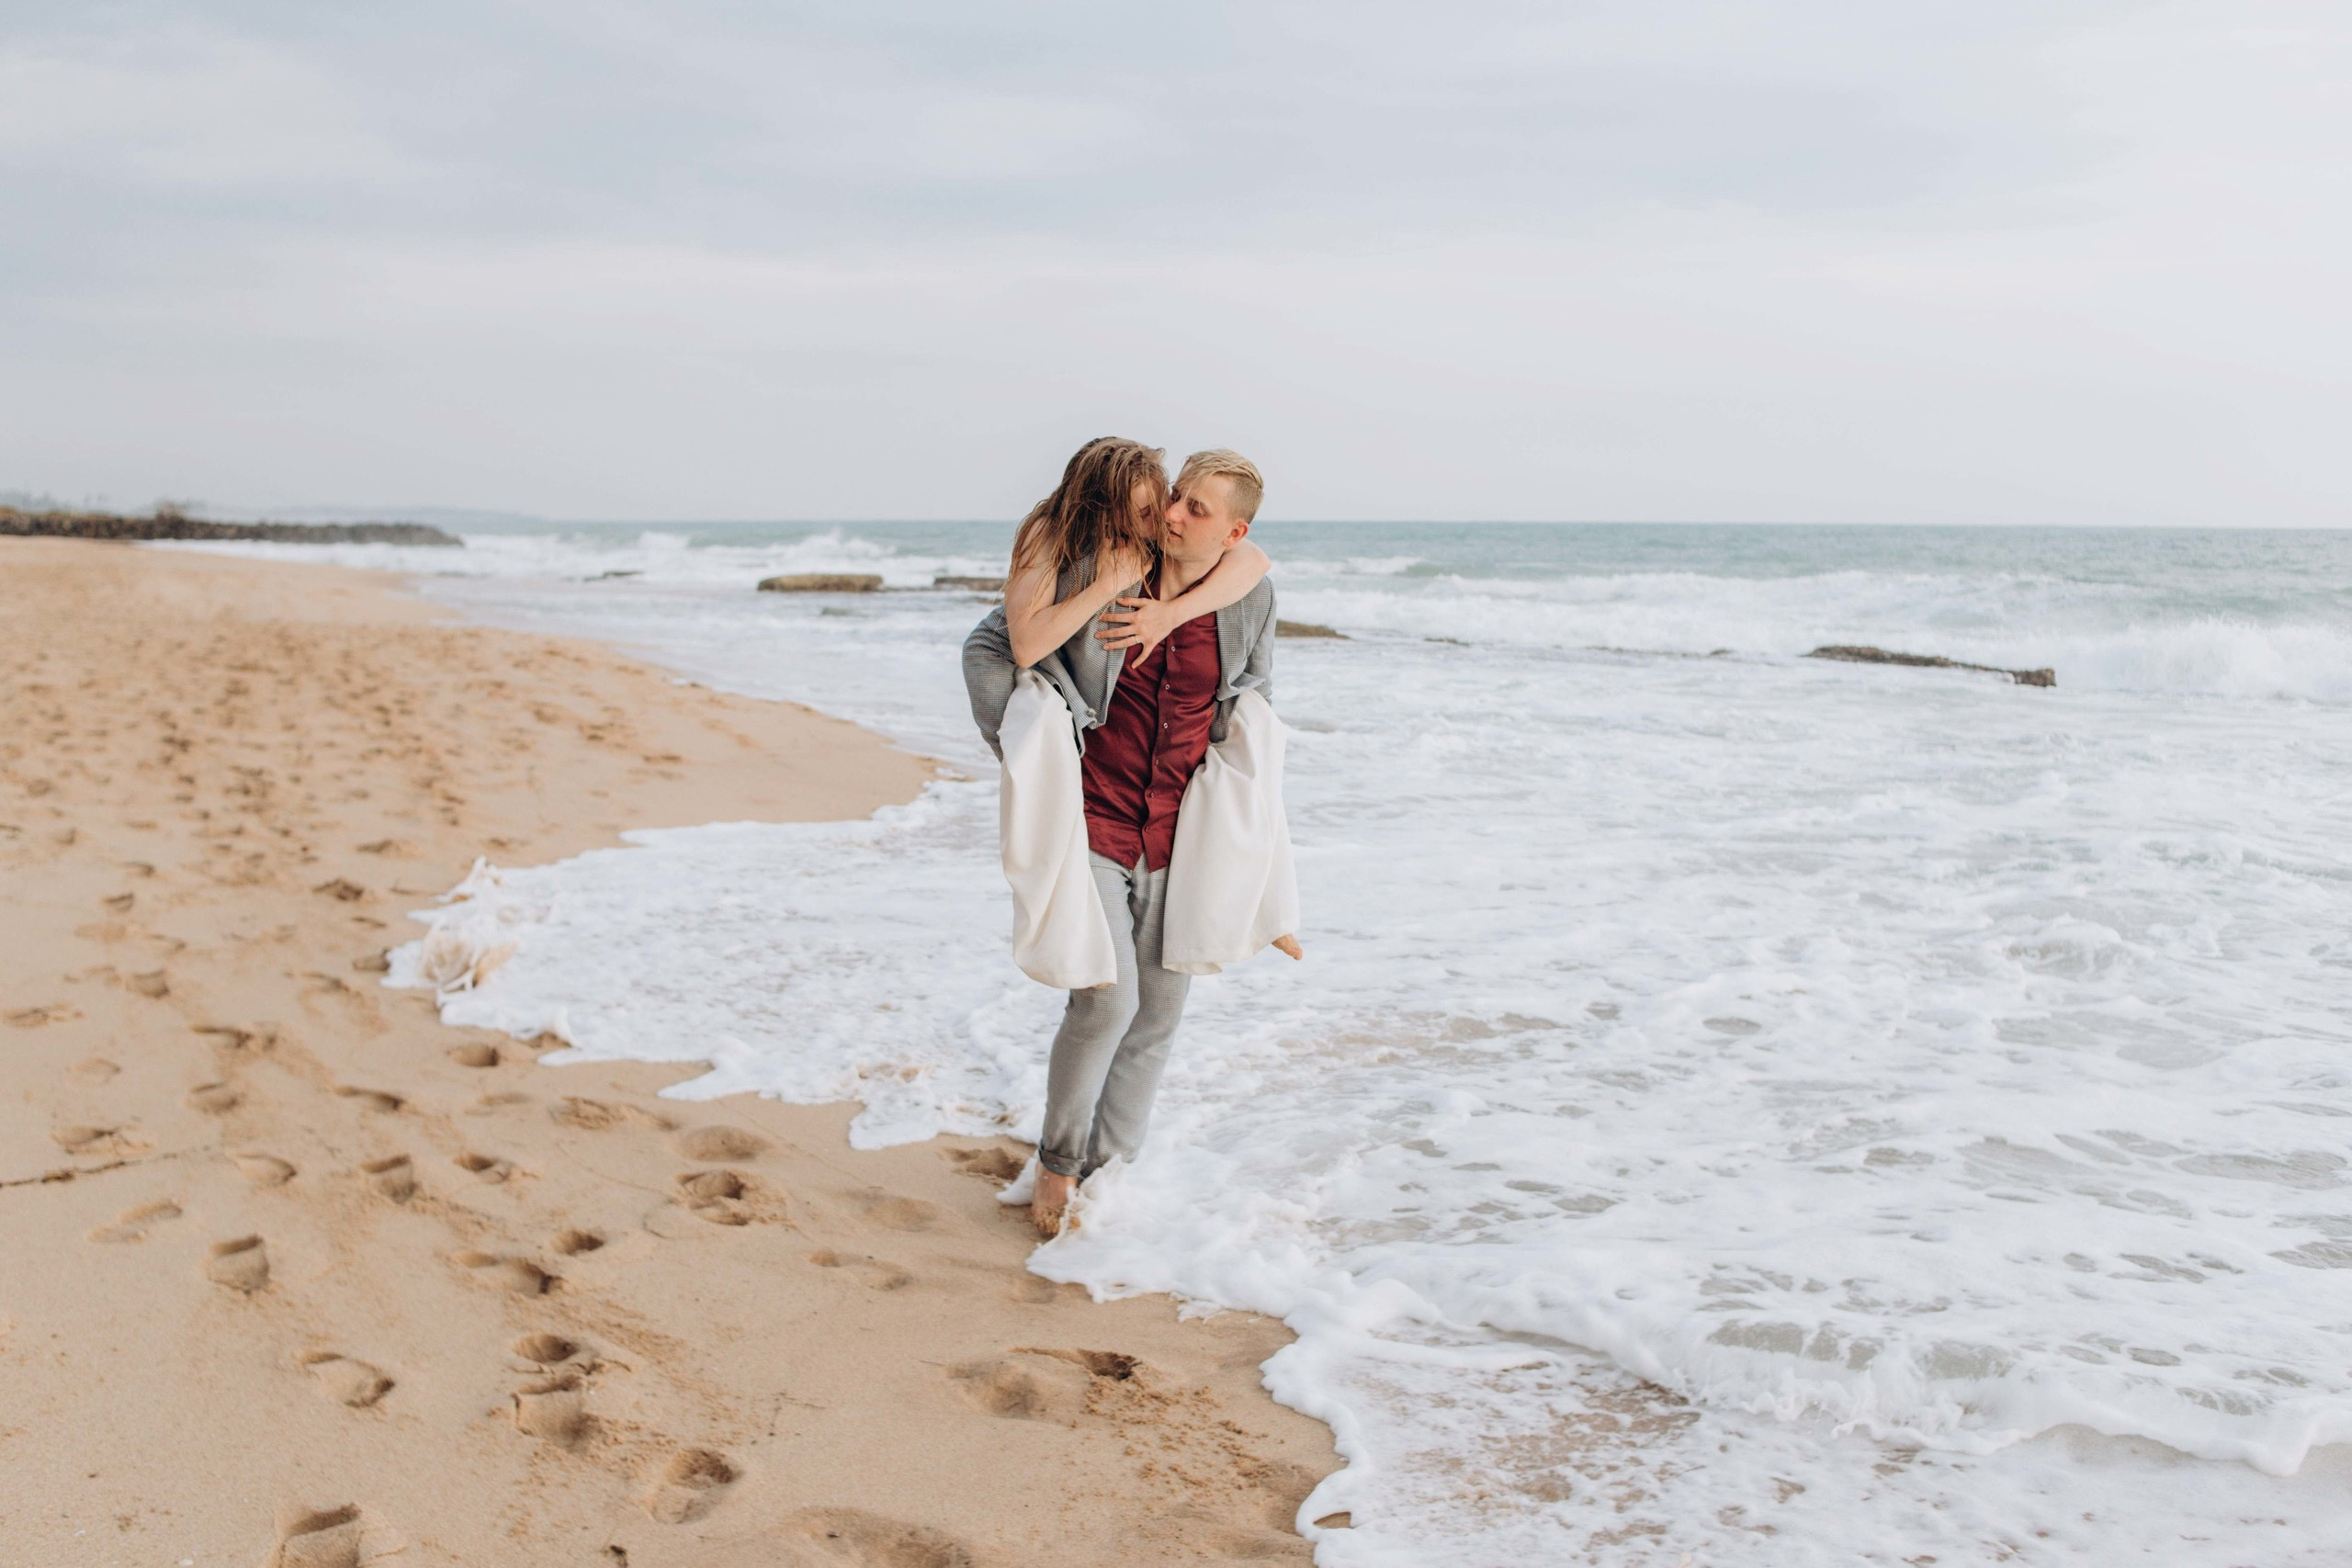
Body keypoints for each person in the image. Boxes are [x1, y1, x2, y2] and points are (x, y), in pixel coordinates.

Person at [963, 439, 1296, 1235]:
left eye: (1195, 508)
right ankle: (1057, 1162)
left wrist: (1261, 865)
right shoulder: (1114, 562)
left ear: (1231, 533)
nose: (1173, 514)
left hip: (1183, 831)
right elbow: (995, 641)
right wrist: (1014, 747)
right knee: (1107, 998)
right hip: (1095, 815)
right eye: (1174, 497)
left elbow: (1255, 706)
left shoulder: (1247, 595)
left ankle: (1109, 1178)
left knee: (1160, 1011)